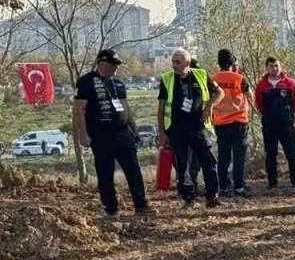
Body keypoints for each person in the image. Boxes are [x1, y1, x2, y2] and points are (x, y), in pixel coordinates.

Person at [73, 49, 152, 217]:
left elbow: (125, 107)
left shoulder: (118, 84)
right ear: (101, 64)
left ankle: (141, 205)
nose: (115, 70)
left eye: (117, 67)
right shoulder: (86, 82)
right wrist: (83, 134)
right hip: (101, 135)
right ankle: (111, 208)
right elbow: (79, 109)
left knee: (133, 169)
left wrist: (134, 129)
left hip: (123, 133)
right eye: (112, 66)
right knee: (105, 172)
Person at [158, 49, 224, 209]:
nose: (174, 65)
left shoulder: (201, 75)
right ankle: (188, 197)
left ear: (187, 63)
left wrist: (209, 106)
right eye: (173, 61)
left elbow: (220, 92)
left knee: (208, 161)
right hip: (176, 128)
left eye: (177, 62)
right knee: (182, 165)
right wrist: (161, 132)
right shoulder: (166, 79)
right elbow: (160, 109)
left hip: (198, 127)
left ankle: (212, 196)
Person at [254, 56, 295, 189]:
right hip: (269, 124)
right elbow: (258, 103)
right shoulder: (261, 85)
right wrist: (267, 114)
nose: (274, 69)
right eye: (271, 66)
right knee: (270, 153)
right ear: (266, 68)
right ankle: (272, 181)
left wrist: (291, 116)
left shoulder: (290, 83)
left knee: (291, 152)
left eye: (276, 66)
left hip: (286, 123)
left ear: (280, 67)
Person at [211, 49, 253, 197]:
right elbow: (250, 95)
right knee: (239, 155)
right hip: (238, 121)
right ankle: (239, 186)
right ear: (232, 62)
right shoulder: (238, 78)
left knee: (223, 156)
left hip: (220, 122)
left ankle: (223, 186)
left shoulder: (213, 78)